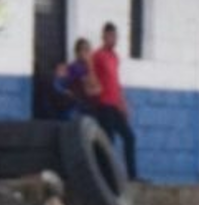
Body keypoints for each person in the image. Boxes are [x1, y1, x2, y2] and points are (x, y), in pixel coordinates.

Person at [91, 22, 139, 181]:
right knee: (108, 141)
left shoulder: (115, 57)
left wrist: (123, 104)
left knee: (129, 137)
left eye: (115, 36)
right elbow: (92, 77)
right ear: (104, 36)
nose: (113, 39)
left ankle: (132, 175)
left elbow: (116, 82)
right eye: (110, 36)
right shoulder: (97, 55)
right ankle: (108, 176)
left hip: (114, 104)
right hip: (103, 104)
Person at [58, 37, 100, 120]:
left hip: (88, 109)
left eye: (88, 50)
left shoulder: (89, 69)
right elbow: (91, 89)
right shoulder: (75, 67)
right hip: (76, 109)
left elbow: (97, 89)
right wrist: (90, 65)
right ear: (77, 52)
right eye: (84, 50)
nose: (87, 53)